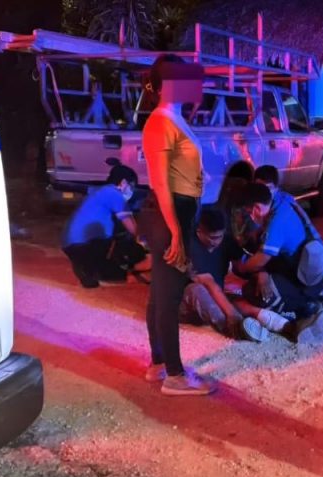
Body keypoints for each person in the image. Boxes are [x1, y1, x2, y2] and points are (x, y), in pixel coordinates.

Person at [138, 54, 215, 396]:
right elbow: (160, 183)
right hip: (169, 213)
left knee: (160, 292)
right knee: (168, 295)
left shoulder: (175, 117)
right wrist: (176, 232)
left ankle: (159, 364)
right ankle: (175, 375)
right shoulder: (159, 122)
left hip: (178, 211)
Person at [232, 183, 323, 342]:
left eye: (250, 212)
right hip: (307, 267)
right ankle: (300, 306)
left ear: (256, 208)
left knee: (251, 291)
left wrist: (241, 267)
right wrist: (262, 273)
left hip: (308, 281)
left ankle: (299, 312)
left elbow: (259, 261)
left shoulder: (276, 223)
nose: (250, 216)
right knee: (257, 276)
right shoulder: (281, 201)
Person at [181, 206, 269, 342]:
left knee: (239, 301)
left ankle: (276, 322)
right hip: (186, 304)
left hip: (216, 293)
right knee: (197, 290)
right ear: (199, 231)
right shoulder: (190, 246)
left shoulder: (226, 240)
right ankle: (236, 330)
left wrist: (261, 273)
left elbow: (242, 266)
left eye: (220, 236)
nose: (216, 241)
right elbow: (209, 284)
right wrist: (232, 313)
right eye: (212, 237)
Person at [62, 163, 146, 288]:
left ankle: (88, 271)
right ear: (123, 183)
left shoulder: (98, 192)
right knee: (127, 242)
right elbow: (132, 227)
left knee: (112, 230)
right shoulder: (115, 194)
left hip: (69, 244)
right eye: (132, 186)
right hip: (88, 244)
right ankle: (114, 273)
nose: (132, 191)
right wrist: (146, 244)